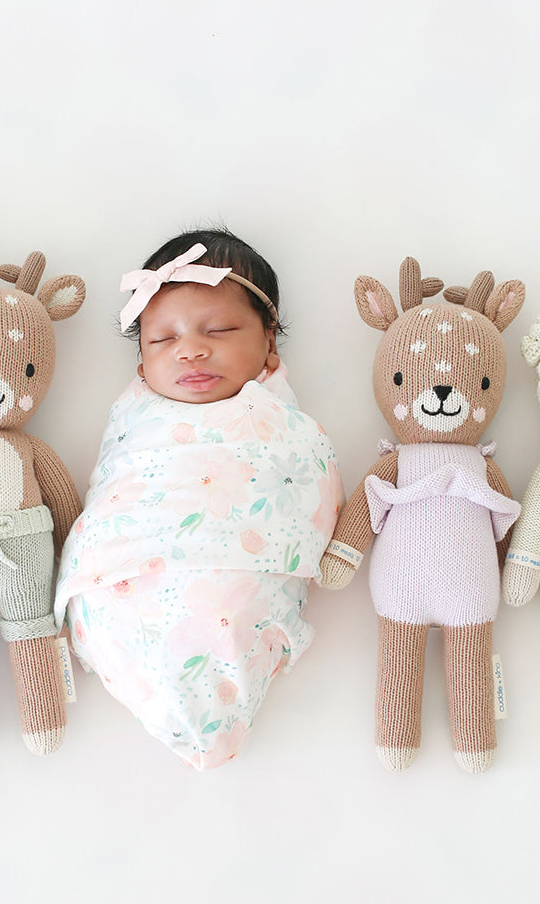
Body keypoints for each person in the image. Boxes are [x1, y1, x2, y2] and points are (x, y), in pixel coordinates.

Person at [54, 229, 342, 770]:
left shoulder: (278, 422)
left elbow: (307, 479)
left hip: (239, 584)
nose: (191, 349)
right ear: (141, 360)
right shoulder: (136, 419)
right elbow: (116, 486)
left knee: (226, 607)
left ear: (269, 339)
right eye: (163, 339)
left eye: (220, 329)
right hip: (124, 581)